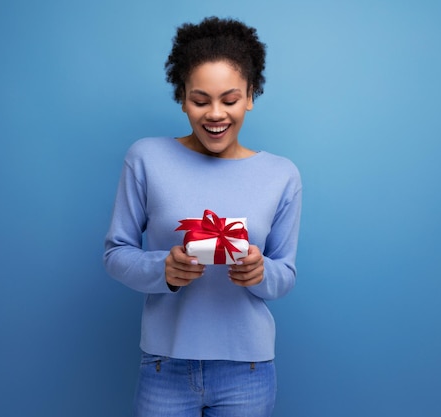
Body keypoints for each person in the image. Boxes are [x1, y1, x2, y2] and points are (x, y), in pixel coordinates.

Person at [103, 16, 302, 417]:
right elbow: (115, 253)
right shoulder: (146, 158)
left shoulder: (282, 175)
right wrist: (165, 269)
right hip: (164, 365)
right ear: (181, 97)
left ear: (251, 95)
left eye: (229, 100)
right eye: (200, 100)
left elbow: (286, 274)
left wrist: (260, 273)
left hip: (248, 369)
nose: (215, 114)